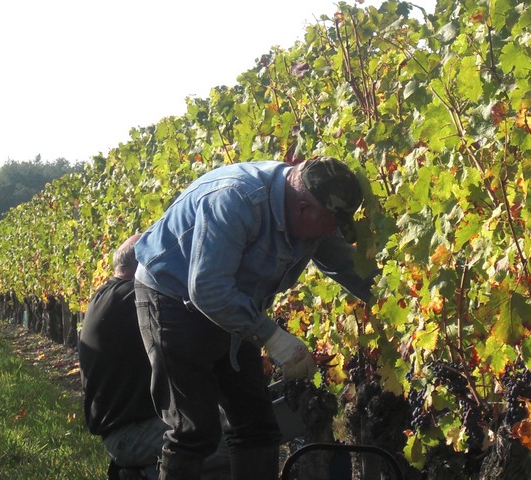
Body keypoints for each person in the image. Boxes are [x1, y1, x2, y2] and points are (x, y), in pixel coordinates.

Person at [133, 157, 377, 480]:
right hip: (172, 297)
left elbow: (346, 266)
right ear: (303, 208)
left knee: (257, 425)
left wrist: (390, 298)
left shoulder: (314, 216)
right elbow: (207, 289)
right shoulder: (237, 199)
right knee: (194, 429)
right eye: (331, 224)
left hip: (233, 301)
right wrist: (271, 336)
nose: (331, 233)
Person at [78, 234, 230, 480]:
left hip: (129, 429)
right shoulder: (135, 297)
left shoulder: (107, 295)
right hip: (130, 435)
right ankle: (144, 475)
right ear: (147, 261)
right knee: (227, 444)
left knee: (218, 426)